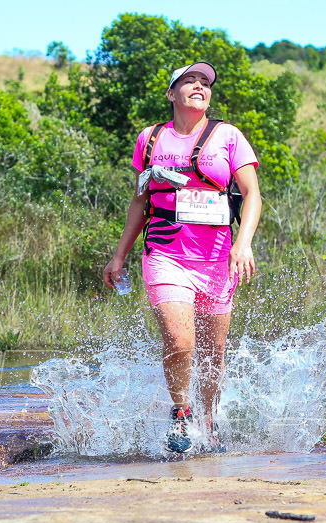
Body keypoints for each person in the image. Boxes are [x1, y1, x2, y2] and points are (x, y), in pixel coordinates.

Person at [102, 61, 262, 453]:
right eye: (189, 81)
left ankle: (210, 423)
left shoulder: (228, 136)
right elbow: (140, 200)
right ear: (171, 94)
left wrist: (244, 243)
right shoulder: (151, 138)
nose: (199, 86)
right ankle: (180, 412)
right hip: (164, 254)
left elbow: (253, 194)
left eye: (205, 82)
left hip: (217, 259)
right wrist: (119, 255)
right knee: (178, 339)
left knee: (213, 355)